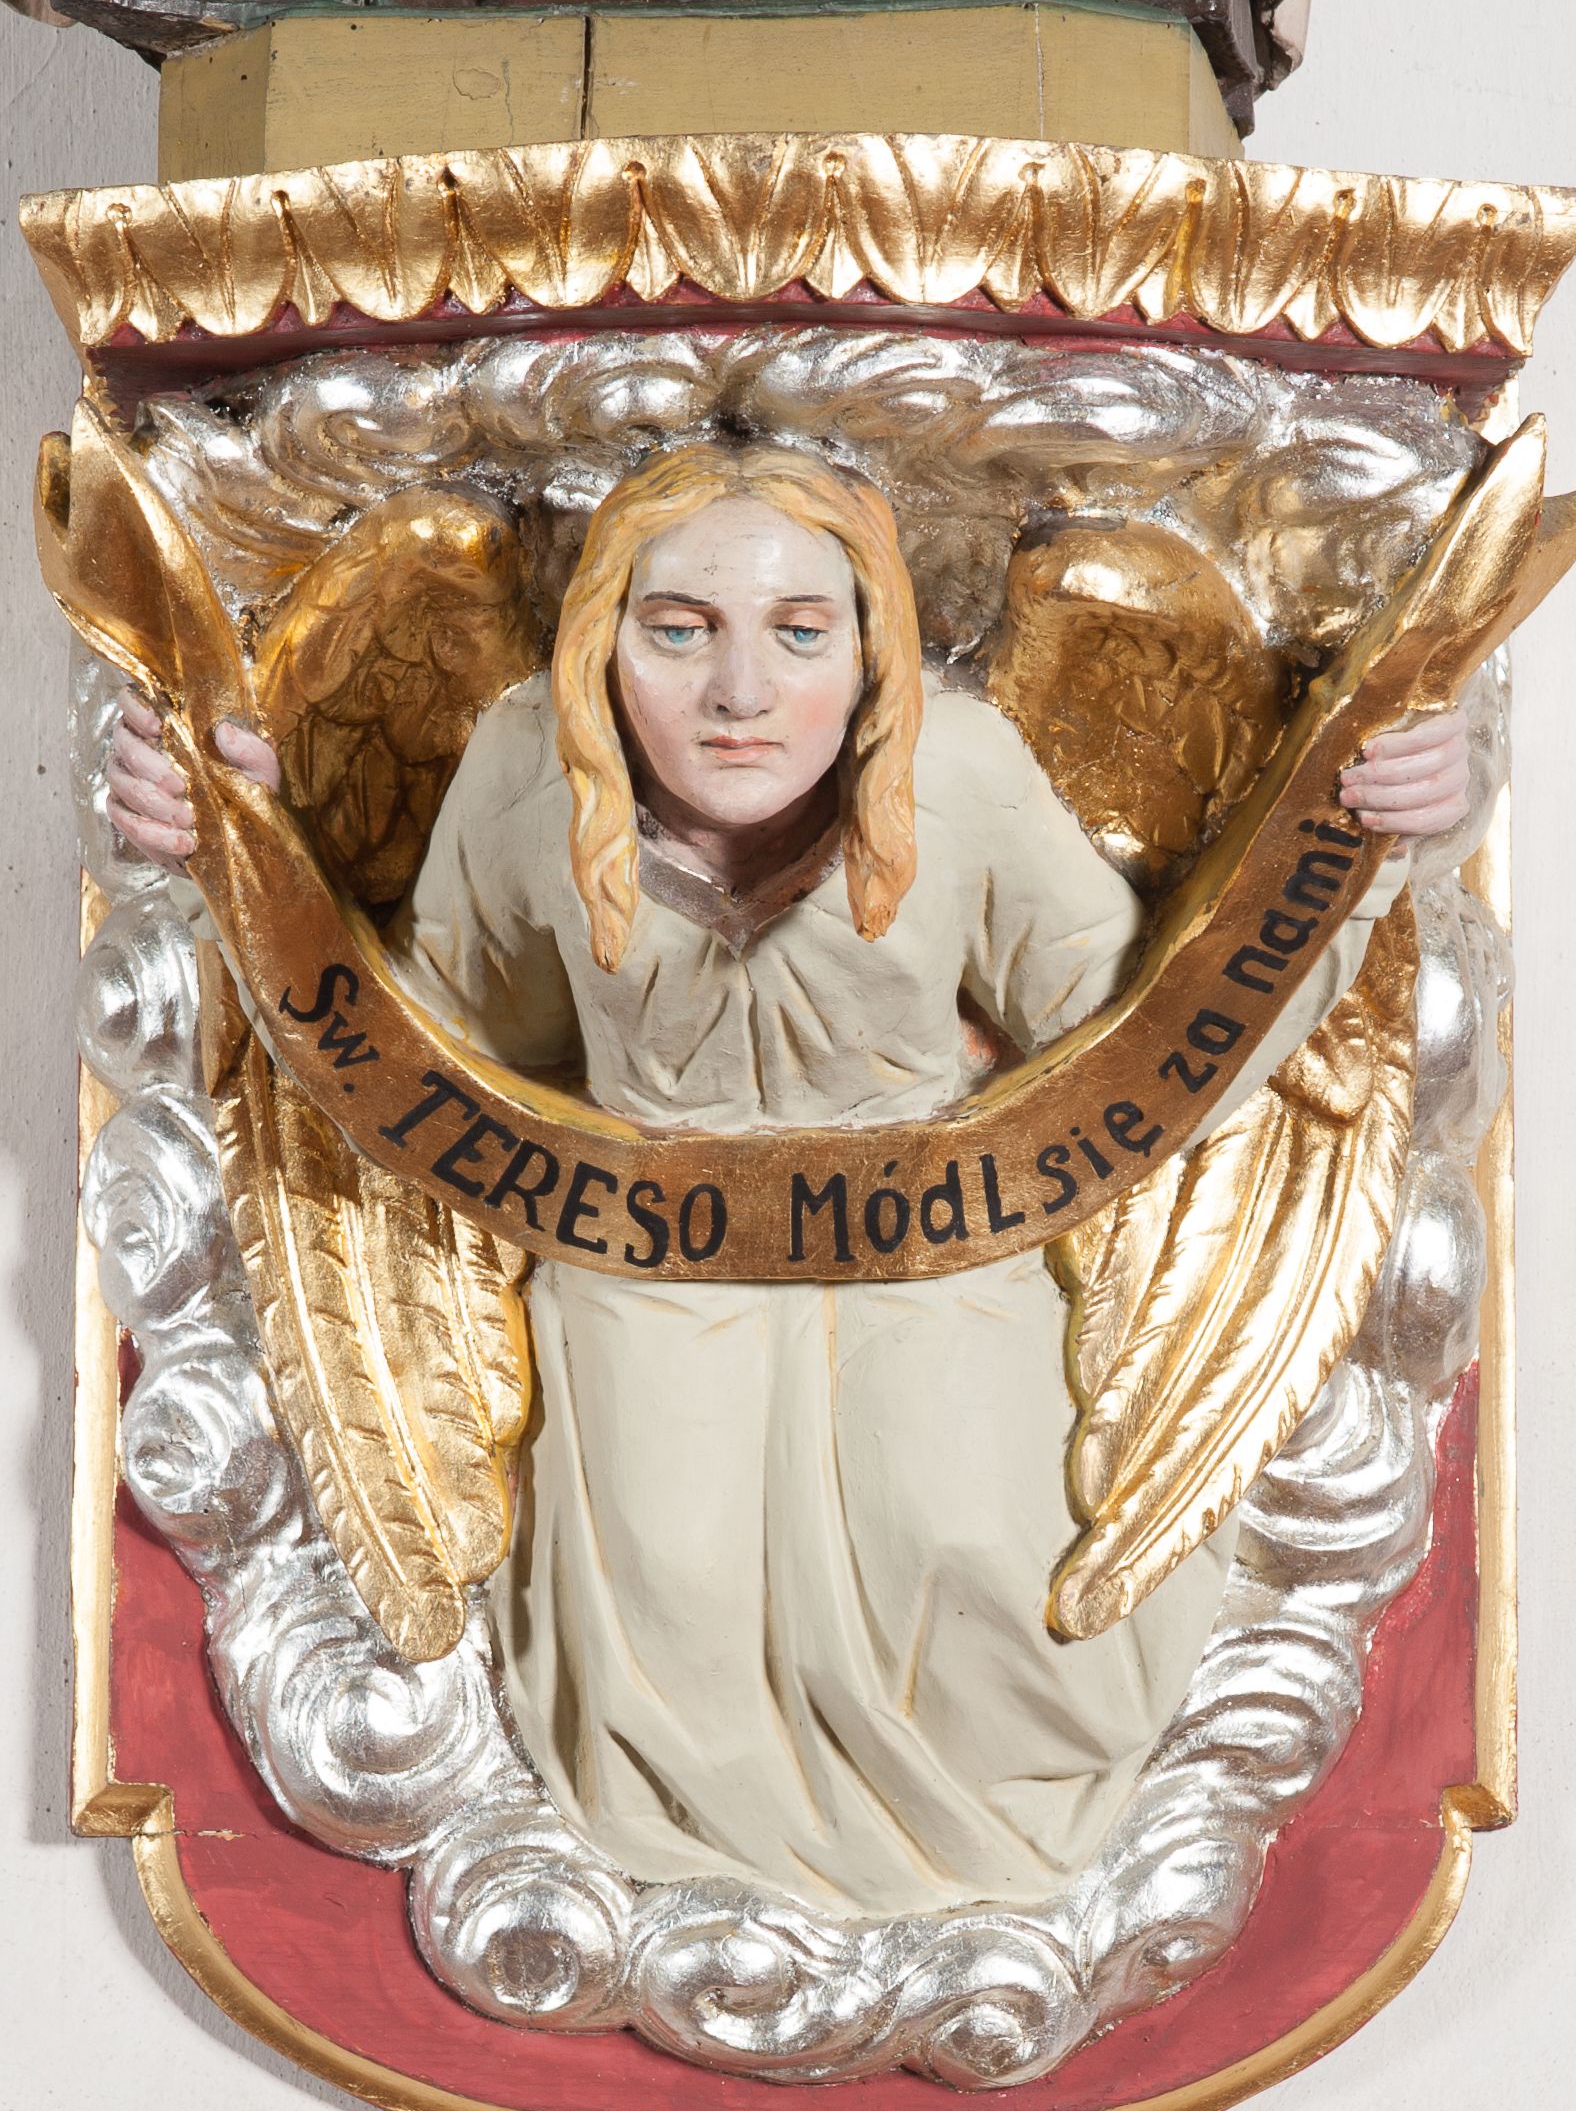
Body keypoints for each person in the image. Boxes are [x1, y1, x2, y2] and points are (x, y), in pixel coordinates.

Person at [109, 442, 1471, 1919]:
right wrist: (256, 852)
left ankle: (988, 1895)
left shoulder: (957, 771)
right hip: (644, 1291)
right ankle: (705, 1915)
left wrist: (1361, 840)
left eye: (800, 632)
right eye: (679, 629)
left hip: (940, 1269)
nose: (740, 690)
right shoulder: (525, 772)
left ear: (874, 648)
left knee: (983, 1575)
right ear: (601, 638)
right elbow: (433, 1047)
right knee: (669, 1605)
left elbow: (1141, 1035)